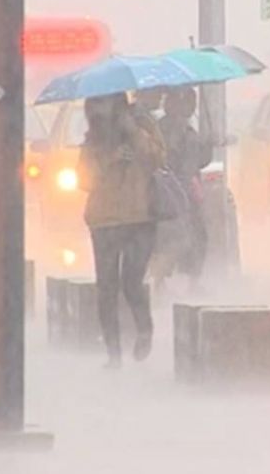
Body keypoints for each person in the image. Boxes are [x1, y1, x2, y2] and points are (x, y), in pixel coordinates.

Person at [77, 92, 165, 368]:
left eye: (104, 104)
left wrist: (133, 132)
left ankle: (144, 329)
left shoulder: (142, 124)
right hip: (104, 221)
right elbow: (84, 179)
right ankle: (113, 354)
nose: (99, 111)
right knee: (107, 288)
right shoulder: (93, 139)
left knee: (132, 281)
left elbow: (158, 159)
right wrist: (110, 159)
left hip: (140, 218)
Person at [152, 87, 213, 288]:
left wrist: (207, 146)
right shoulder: (173, 131)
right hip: (175, 193)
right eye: (188, 101)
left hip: (175, 192)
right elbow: (188, 164)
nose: (192, 106)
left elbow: (198, 161)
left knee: (186, 237)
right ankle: (177, 281)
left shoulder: (173, 128)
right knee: (186, 237)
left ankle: (169, 281)